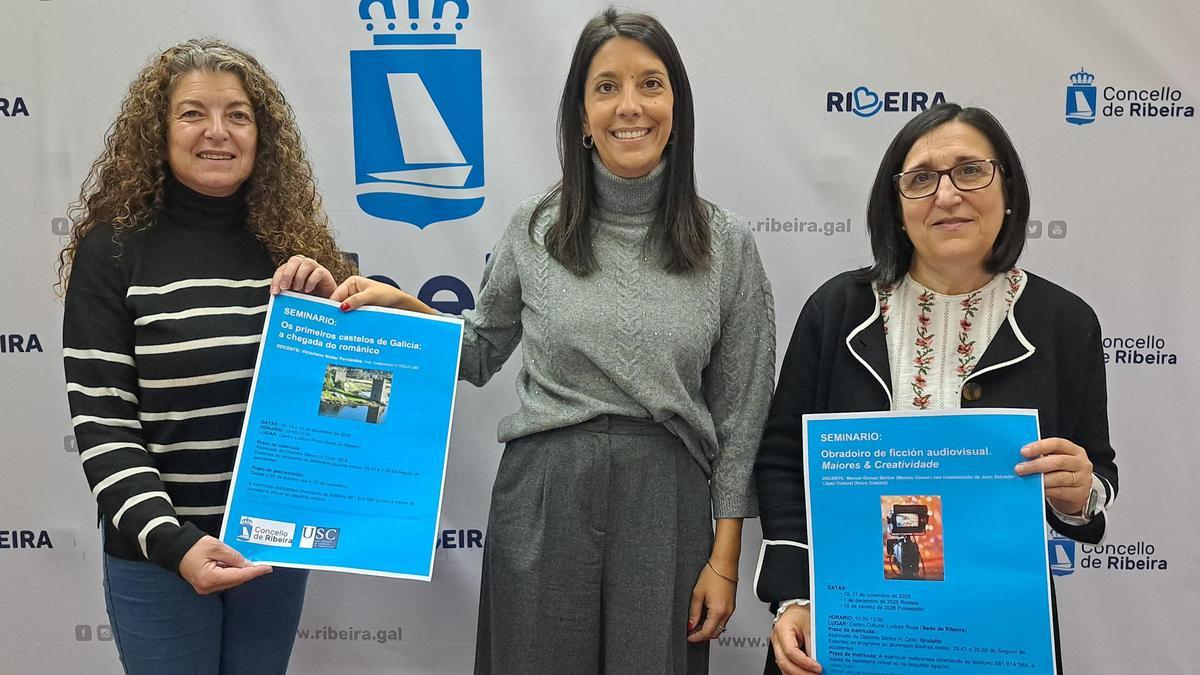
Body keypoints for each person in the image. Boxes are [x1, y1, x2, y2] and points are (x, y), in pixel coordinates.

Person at [279, 8, 775, 673]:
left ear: (677, 106)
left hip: (666, 500)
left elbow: (741, 418)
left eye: (650, 83)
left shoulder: (727, 243)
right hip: (545, 492)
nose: (629, 105)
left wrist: (724, 557)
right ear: (580, 115)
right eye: (606, 87)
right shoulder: (534, 226)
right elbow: (480, 349)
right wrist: (403, 308)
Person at [753, 103, 1118, 675]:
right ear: (897, 209)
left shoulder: (1064, 322)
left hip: (994, 634)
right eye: (921, 179)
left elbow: (1096, 476)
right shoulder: (839, 309)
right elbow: (781, 462)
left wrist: (1079, 493)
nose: (947, 195)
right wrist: (795, 597)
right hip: (850, 625)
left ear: (1009, 192)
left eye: (971, 171)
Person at [59, 39, 354, 674]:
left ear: (262, 134)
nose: (217, 132)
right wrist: (175, 545)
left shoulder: (297, 252)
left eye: (238, 115)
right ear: (158, 132)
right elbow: (104, 425)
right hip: (158, 557)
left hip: (271, 549)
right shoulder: (112, 252)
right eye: (193, 113)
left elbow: (343, 414)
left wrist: (337, 318)